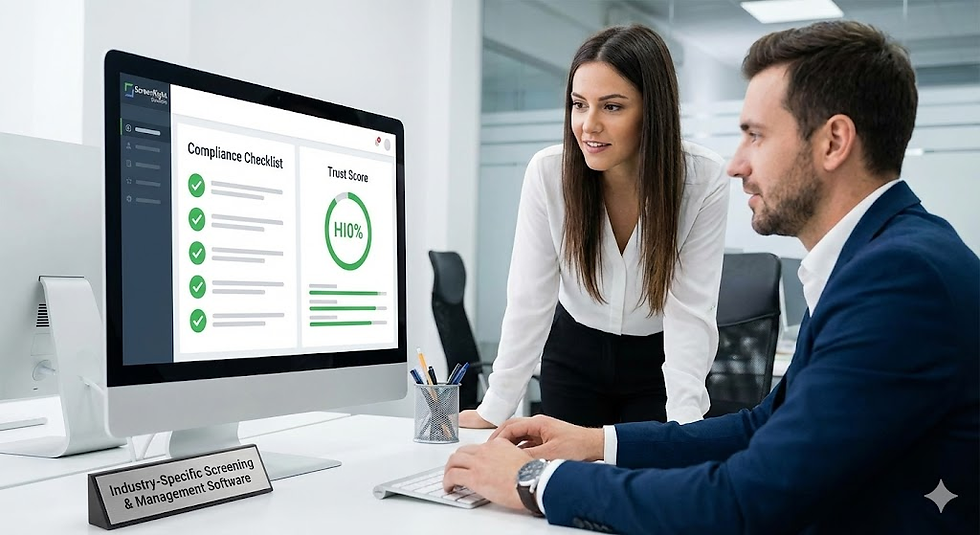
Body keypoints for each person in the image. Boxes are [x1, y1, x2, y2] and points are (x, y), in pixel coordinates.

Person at [442, 20, 979, 534]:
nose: (734, 164)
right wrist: (595, 444)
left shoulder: (899, 280)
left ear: (834, 142)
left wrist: (536, 481)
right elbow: (759, 427)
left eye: (756, 136)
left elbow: (743, 502)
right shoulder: (879, 259)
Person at [461, 24, 729, 430]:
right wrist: (494, 408)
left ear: (651, 110)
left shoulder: (702, 180)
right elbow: (530, 299)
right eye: (579, 104)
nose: (588, 125)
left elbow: (690, 312)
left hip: (658, 365)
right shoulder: (549, 174)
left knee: (648, 483)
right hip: (575, 355)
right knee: (566, 482)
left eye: (612, 106)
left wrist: (686, 427)